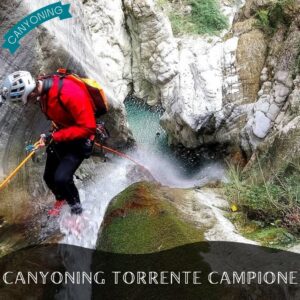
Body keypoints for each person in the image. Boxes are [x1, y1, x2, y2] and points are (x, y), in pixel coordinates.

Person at [1, 70, 97, 216]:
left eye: (26, 100)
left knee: (62, 178)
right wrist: (50, 135)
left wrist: (55, 136)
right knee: (49, 176)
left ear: (31, 93)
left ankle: (77, 214)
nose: (27, 104)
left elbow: (89, 127)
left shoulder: (68, 92)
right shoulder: (42, 91)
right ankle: (61, 199)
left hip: (81, 139)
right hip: (62, 134)